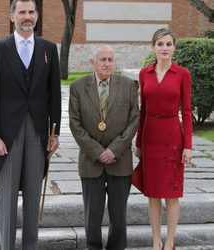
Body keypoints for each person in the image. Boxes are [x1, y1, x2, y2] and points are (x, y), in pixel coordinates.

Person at [0, 0, 61, 249]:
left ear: (37, 15)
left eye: (31, 12)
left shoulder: (49, 49)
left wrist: (54, 133)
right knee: (7, 199)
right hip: (7, 136)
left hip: (38, 133)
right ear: (11, 16)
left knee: (32, 198)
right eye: (22, 12)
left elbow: (54, 94)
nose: (27, 17)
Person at [69, 44, 140, 250]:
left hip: (120, 160)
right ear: (92, 62)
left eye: (111, 59)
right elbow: (75, 124)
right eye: (103, 60)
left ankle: (117, 247)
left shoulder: (128, 86)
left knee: (119, 215)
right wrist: (98, 152)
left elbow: (134, 120)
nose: (108, 64)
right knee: (93, 214)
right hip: (91, 161)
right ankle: (93, 247)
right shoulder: (78, 87)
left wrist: (113, 150)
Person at [134, 28, 192, 250]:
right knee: (153, 192)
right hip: (150, 136)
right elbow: (142, 110)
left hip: (172, 136)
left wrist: (188, 145)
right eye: (160, 44)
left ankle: (170, 242)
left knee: (172, 192)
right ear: (153, 47)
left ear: (174, 47)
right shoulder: (144, 73)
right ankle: (156, 241)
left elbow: (186, 112)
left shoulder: (183, 74)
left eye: (168, 44)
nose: (164, 48)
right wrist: (138, 143)